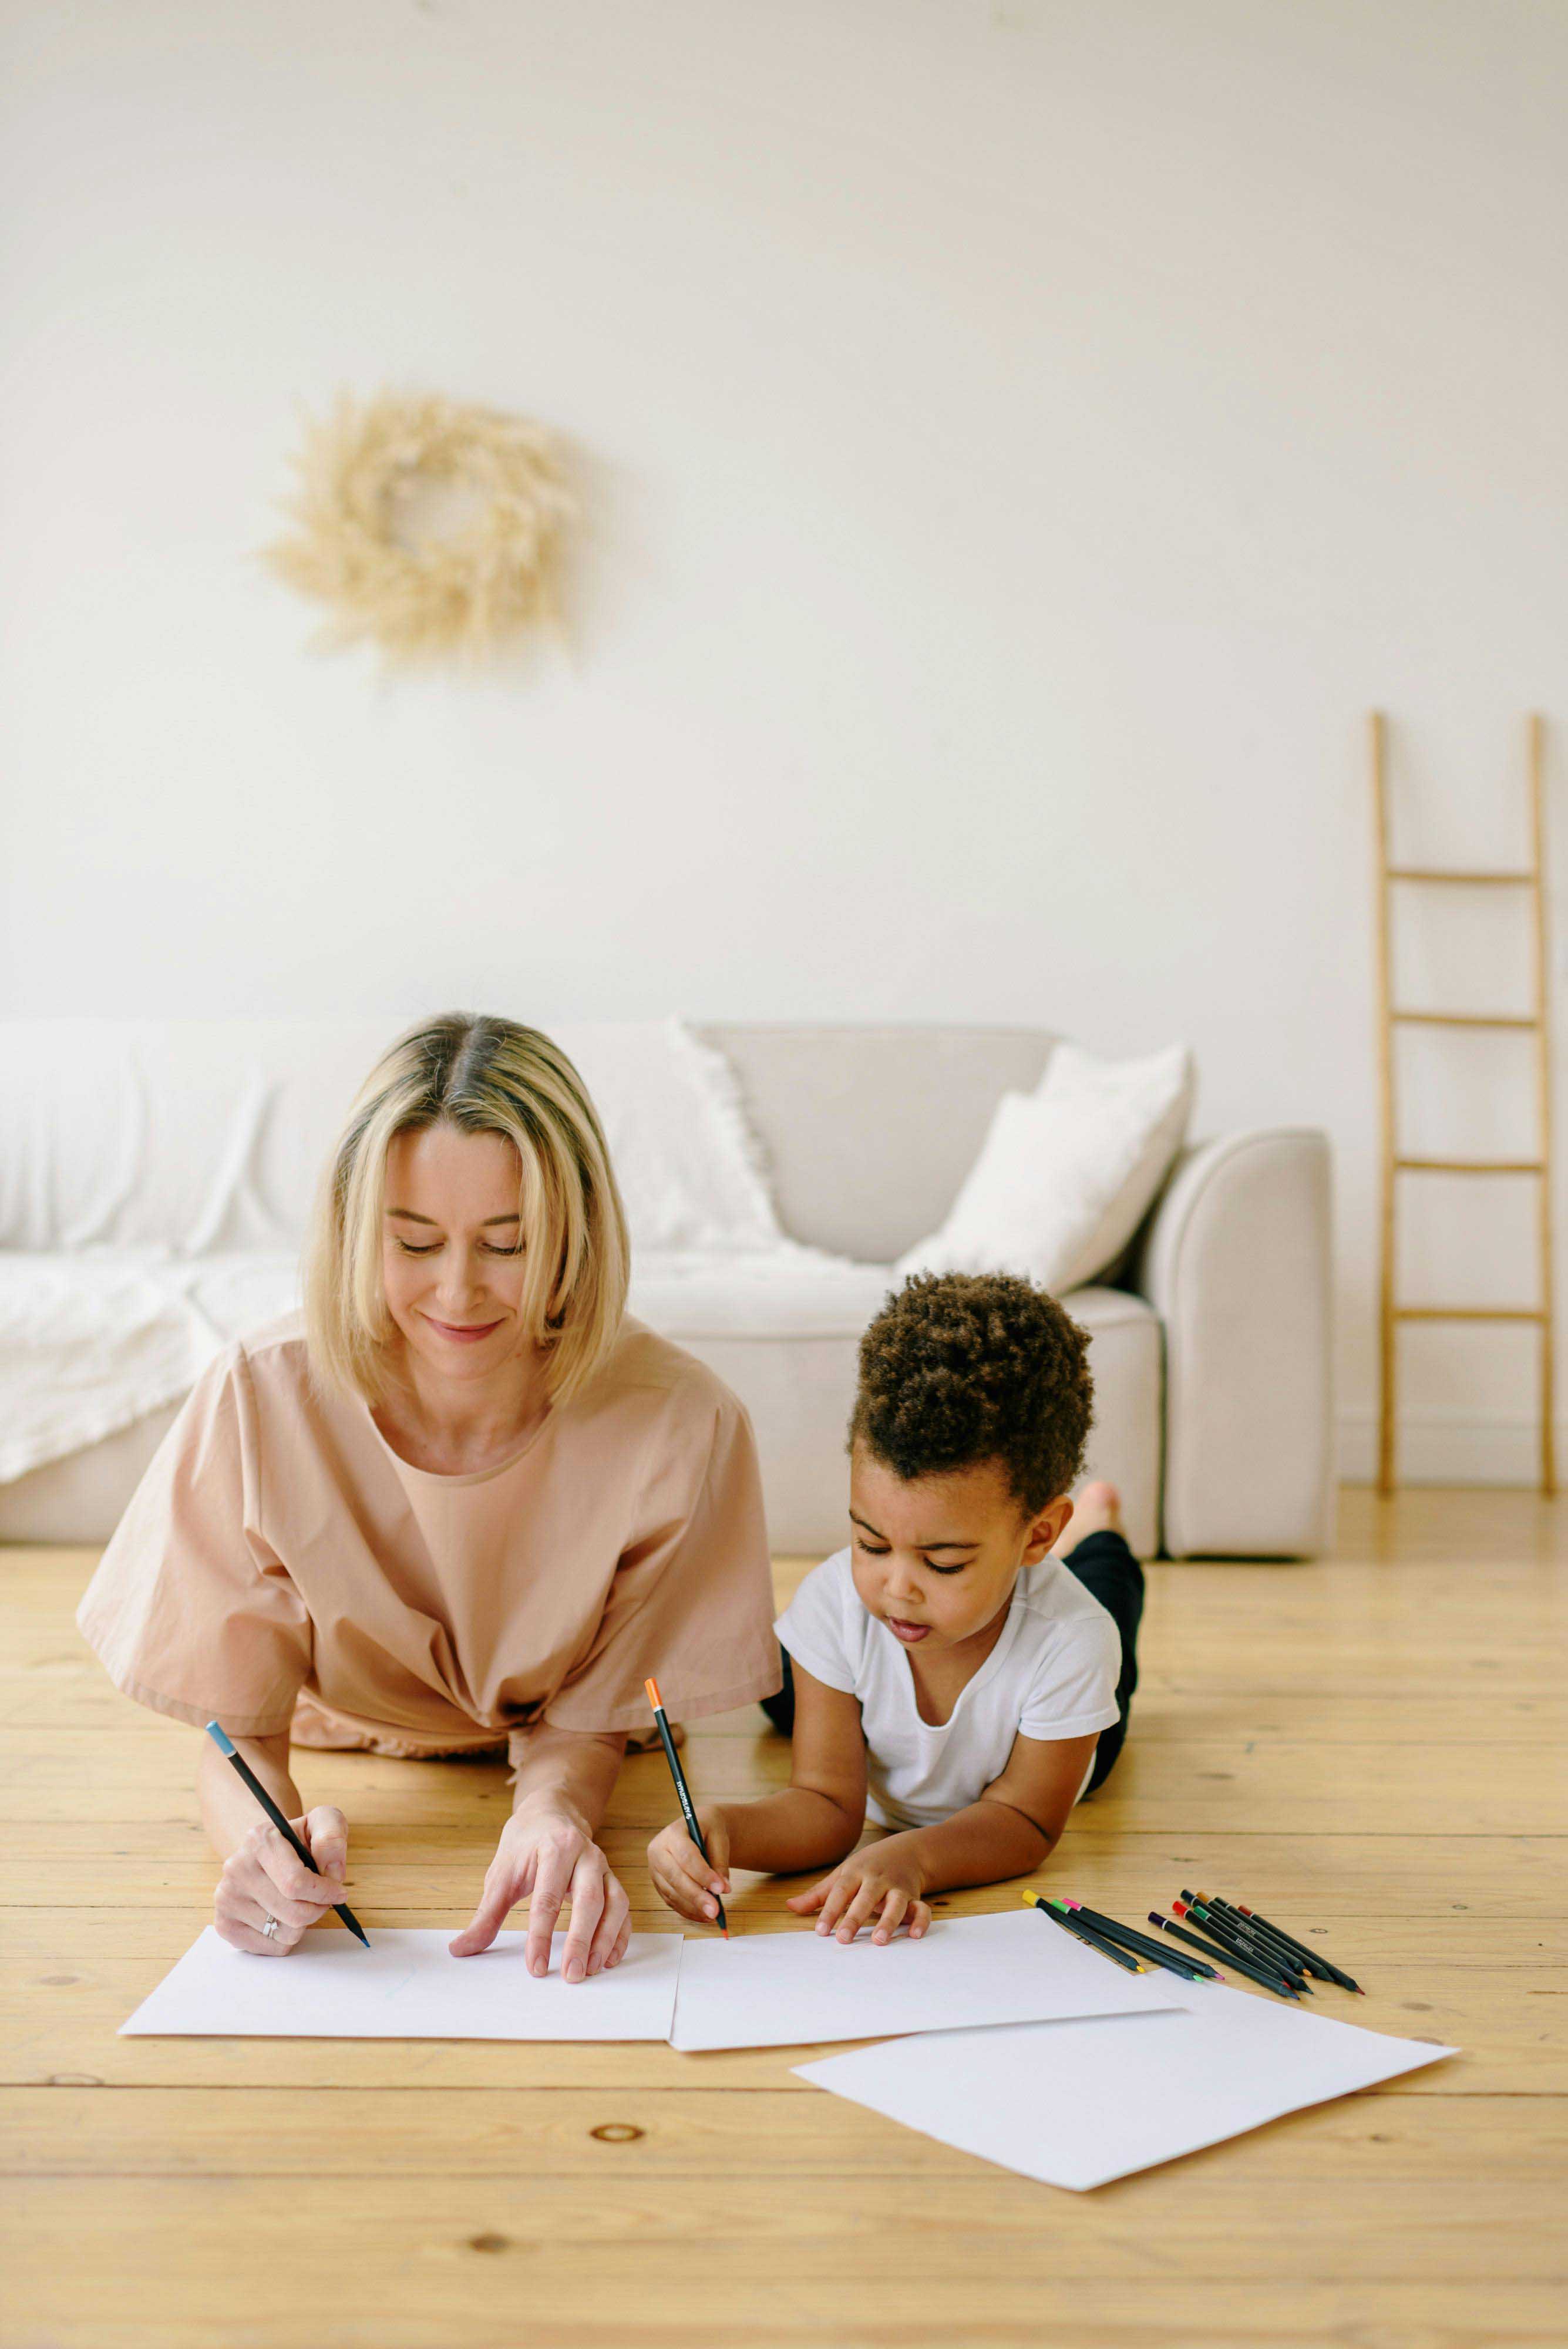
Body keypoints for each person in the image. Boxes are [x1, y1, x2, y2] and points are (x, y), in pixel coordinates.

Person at [78, 1014, 779, 1981]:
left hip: (591, 1741)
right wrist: (263, 1843)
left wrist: (553, 1810)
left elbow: (595, 1717)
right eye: (413, 1244)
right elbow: (237, 1734)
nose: (458, 1294)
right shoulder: (258, 1393)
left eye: (508, 1243)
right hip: (346, 1729)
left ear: (576, 1233)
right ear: (352, 1232)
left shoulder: (681, 1421)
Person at [647, 1271, 1143, 1944]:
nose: (897, 1588)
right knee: (787, 1686)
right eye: (870, 1541)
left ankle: (1099, 1529)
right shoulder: (840, 1601)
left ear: (1035, 1535)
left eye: (943, 1562)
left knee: (1107, 1597)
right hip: (873, 1714)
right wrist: (724, 1827)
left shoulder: (1073, 1642)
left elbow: (1027, 1823)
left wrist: (915, 1855)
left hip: (1051, 1756)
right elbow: (826, 1803)